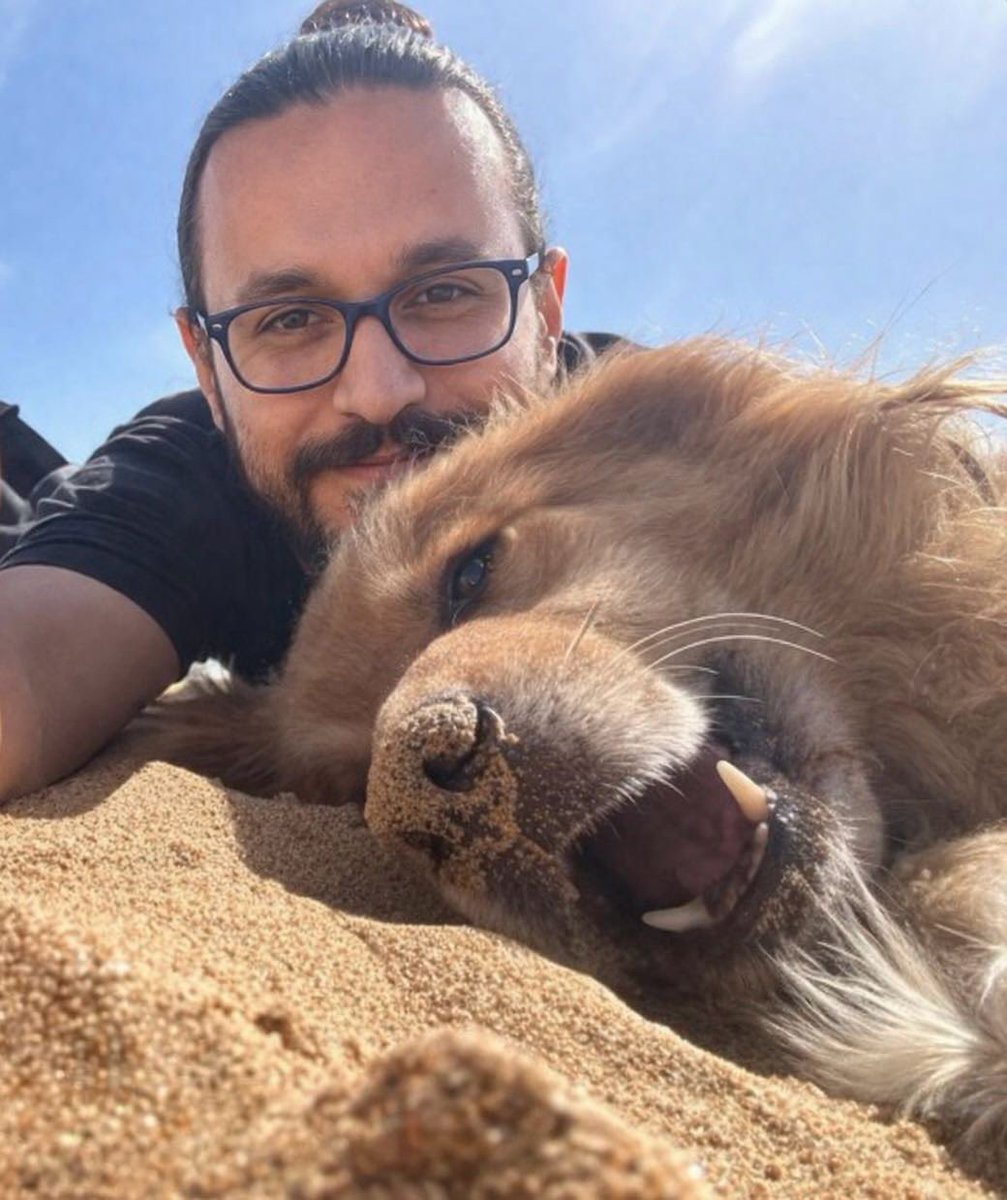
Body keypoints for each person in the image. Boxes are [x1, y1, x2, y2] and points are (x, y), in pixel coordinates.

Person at [0, 0, 622, 802]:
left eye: (440, 294)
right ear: (207, 366)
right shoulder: (182, 484)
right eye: (289, 320)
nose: (376, 390)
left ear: (544, 312)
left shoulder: (650, 422)